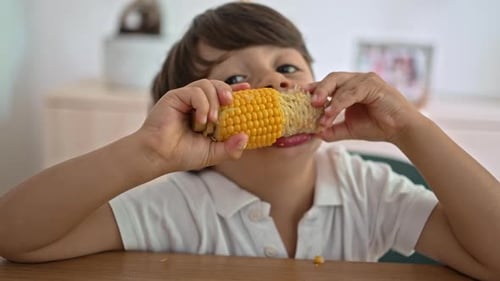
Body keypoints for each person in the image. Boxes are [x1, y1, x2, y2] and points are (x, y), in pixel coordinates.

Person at [0, 2, 499, 280]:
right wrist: (147, 152)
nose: (274, 85)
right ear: (199, 121)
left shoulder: (368, 190)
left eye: (287, 68)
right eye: (236, 81)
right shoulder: (177, 204)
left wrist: (411, 129)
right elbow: (16, 237)